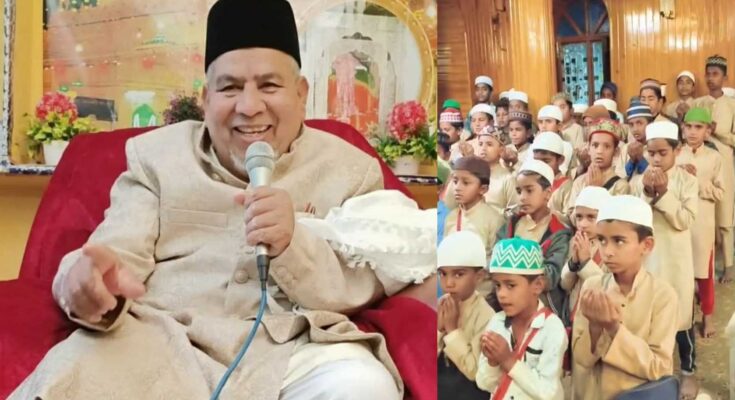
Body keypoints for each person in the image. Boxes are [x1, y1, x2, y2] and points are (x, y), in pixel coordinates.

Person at [9, 1, 406, 399]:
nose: (249, 107)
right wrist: (84, 281)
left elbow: (359, 285)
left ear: (301, 94)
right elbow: (117, 252)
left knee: (365, 385)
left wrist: (293, 244)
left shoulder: (350, 169)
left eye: (269, 86)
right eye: (230, 88)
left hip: (291, 350)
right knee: (70, 376)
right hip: (164, 341)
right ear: (205, 98)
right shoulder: (157, 158)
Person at [571, 195, 678, 400]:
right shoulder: (592, 287)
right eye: (602, 240)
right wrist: (594, 327)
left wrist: (614, 329)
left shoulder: (663, 296)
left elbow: (659, 367)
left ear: (646, 245)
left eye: (619, 241)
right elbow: (581, 360)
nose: (607, 251)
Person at [631, 121, 699, 399]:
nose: (656, 159)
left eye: (662, 153)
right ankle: (655, 371)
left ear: (677, 151)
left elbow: (685, 219)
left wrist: (664, 194)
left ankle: (689, 372)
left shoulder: (688, 180)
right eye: (651, 153)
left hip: (677, 259)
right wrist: (648, 193)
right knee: (650, 315)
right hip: (649, 259)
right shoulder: (638, 181)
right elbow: (635, 218)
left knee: (682, 318)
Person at [476, 238, 567, 400]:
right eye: (497, 285)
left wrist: (507, 360)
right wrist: (492, 362)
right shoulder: (496, 322)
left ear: (537, 285)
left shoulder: (552, 328)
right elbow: (484, 383)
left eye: (510, 285)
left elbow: (549, 393)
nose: (501, 294)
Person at [496, 160, 572, 322]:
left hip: (541, 309)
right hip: (506, 304)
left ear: (547, 193)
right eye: (519, 191)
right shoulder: (511, 224)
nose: (523, 197)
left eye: (529, 190)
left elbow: (551, 277)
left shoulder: (559, 233)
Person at [677, 108, 724, 338]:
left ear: (708, 131)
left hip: (703, 223)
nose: (693, 132)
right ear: (682, 129)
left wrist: (697, 182)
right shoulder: (676, 154)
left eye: (698, 127)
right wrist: (680, 175)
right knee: (683, 271)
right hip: (680, 221)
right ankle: (685, 318)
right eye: (689, 126)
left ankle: (707, 317)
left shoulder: (714, 158)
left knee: (704, 272)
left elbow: (720, 192)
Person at [437, 231, 496, 400]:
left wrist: (452, 331)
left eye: (458, 274)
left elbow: (476, 372)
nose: (449, 283)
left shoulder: (486, 316)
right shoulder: (440, 305)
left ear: (479, 276)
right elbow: (422, 362)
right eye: (443, 274)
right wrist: (439, 330)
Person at [693, 54, 735, 284]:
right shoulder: (698, 104)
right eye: (708, 74)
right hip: (702, 166)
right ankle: (703, 267)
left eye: (715, 74)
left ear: (724, 77)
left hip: (725, 165)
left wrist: (717, 131)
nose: (710, 78)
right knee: (704, 216)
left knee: (726, 218)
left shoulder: (731, 105)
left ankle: (729, 266)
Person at [560, 187, 611, 331]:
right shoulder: (574, 241)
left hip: (597, 322)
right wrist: (573, 263)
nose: (582, 224)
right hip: (571, 318)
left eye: (591, 217)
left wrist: (586, 262)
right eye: (579, 217)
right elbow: (565, 285)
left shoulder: (610, 247)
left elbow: (608, 288)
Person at [444, 156, 504, 261]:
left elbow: (497, 259)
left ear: (483, 189)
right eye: (455, 181)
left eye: (466, 183)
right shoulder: (451, 217)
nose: (457, 188)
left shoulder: (494, 219)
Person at [568, 120, 629, 218]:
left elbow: (614, 219)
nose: (599, 151)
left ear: (616, 151)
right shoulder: (579, 182)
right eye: (595, 145)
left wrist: (595, 192)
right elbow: (572, 217)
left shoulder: (621, 186)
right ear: (588, 148)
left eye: (607, 146)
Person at [529, 132, 573, 223]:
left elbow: (569, 219)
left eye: (546, 161)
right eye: (537, 161)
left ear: (560, 160)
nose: (541, 165)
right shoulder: (530, 181)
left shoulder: (566, 186)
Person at [535, 105, 576, 177]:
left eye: (548, 121)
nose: (543, 126)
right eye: (540, 122)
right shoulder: (534, 145)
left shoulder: (566, 146)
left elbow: (562, 173)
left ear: (559, 126)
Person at [621, 101, 654, 180]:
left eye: (639, 123)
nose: (635, 129)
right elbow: (618, 177)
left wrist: (640, 159)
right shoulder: (626, 148)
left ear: (650, 124)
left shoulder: (656, 148)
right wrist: (631, 161)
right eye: (631, 125)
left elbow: (657, 177)